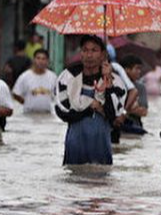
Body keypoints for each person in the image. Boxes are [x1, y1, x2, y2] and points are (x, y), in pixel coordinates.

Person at [54, 35, 128, 165]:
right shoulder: (67, 77)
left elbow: (115, 117)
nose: (89, 55)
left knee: (101, 181)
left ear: (103, 54)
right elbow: (62, 112)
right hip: (75, 143)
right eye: (85, 50)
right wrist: (89, 108)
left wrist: (108, 86)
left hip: (101, 144)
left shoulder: (116, 81)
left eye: (94, 50)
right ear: (80, 53)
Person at [12, 48, 57, 113]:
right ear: (33, 60)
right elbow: (16, 93)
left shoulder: (53, 77)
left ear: (47, 61)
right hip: (28, 114)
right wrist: (26, 102)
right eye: (38, 58)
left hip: (47, 115)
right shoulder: (25, 76)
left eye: (43, 59)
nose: (40, 61)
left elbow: (58, 96)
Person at [119, 55, 149, 134]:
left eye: (140, 69)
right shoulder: (116, 84)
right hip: (117, 126)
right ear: (126, 70)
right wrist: (133, 107)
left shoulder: (141, 87)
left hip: (135, 126)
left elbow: (144, 112)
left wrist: (123, 110)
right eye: (137, 68)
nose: (139, 71)